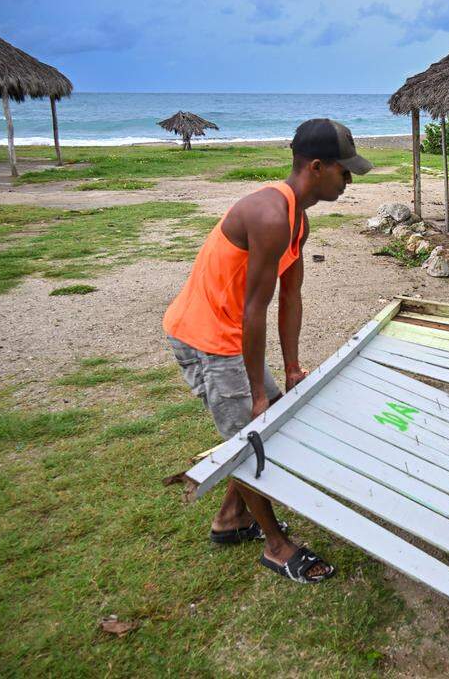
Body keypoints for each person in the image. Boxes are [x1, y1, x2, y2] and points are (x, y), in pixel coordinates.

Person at [163, 118, 372, 584]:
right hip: (208, 338)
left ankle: (230, 518)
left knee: (273, 420)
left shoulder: (298, 219)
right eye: (345, 171)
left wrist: (293, 367)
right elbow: (254, 311)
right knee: (251, 437)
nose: (350, 180)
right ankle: (276, 546)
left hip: (233, 332)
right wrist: (258, 391)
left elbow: (290, 297)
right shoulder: (271, 215)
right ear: (316, 168)